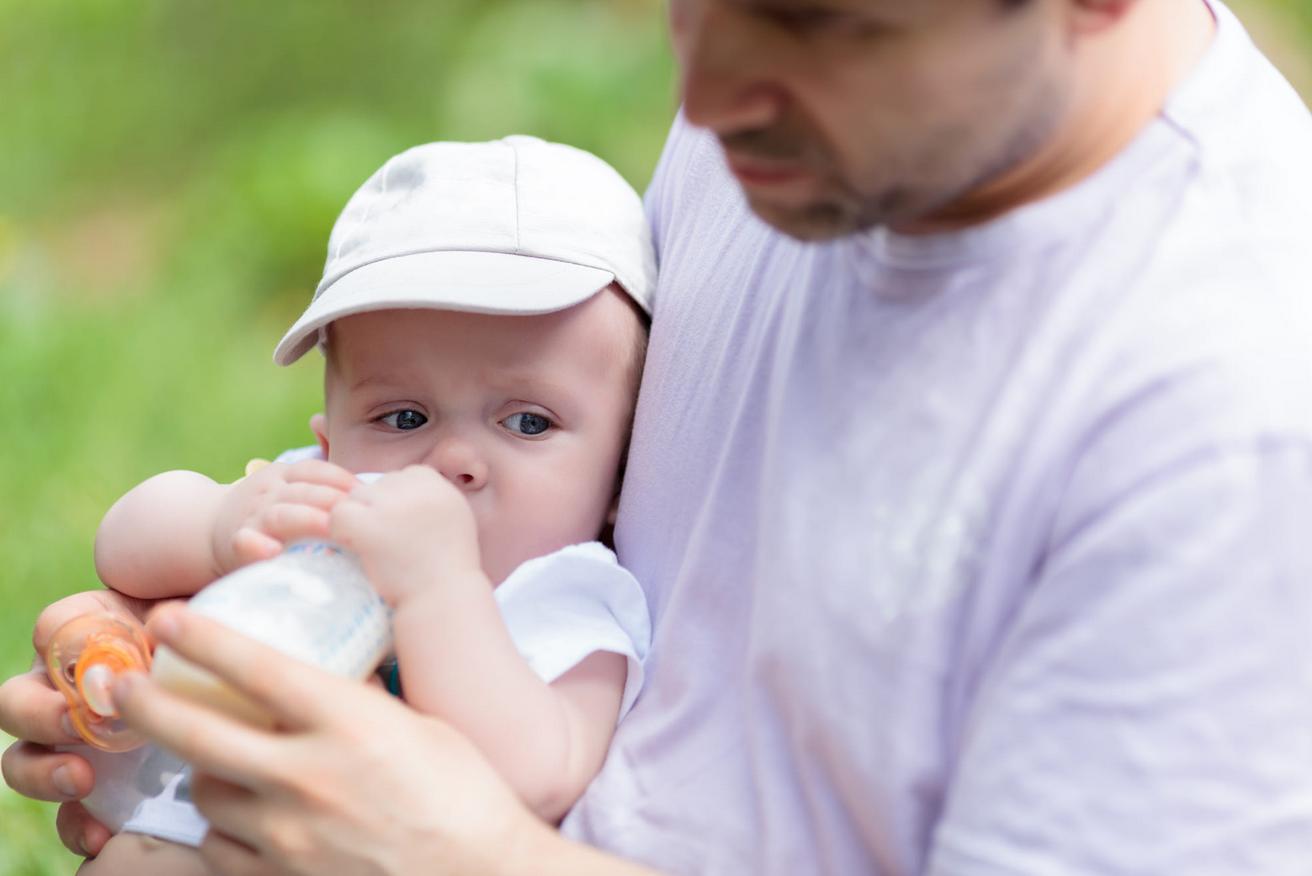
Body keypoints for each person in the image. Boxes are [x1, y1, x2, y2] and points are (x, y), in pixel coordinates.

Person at [5, 0, 1312, 872]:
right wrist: (234, 653)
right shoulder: (797, 134)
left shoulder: (1231, 427)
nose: (705, 90)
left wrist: (464, 855)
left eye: (817, 17)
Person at [33, 134, 657, 874]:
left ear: (619, 478)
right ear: (329, 441)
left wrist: (437, 588)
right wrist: (218, 524)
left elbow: (538, 774)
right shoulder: (323, 503)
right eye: (403, 418)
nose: (451, 461)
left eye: (528, 421)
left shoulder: (569, 599)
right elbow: (123, 546)